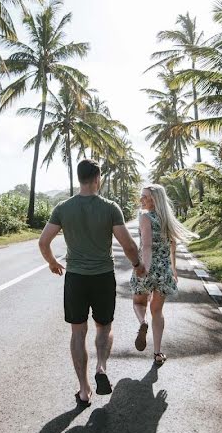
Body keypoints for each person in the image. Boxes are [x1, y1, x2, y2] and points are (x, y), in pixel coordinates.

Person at [39, 159, 145, 407]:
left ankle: (84, 390)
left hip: (75, 278)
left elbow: (44, 242)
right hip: (102, 277)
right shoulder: (110, 208)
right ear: (98, 178)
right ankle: (101, 367)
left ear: (79, 178)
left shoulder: (63, 208)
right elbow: (128, 245)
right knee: (104, 327)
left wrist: (53, 263)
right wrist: (138, 266)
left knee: (78, 332)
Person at [129, 184, 198, 366]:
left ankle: (142, 322)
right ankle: (158, 353)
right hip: (164, 269)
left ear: (153, 199)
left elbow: (146, 245)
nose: (141, 200)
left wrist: (144, 270)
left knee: (138, 302)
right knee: (157, 311)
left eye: (144, 197)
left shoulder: (145, 217)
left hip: (148, 266)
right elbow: (172, 246)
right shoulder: (167, 218)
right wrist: (173, 270)